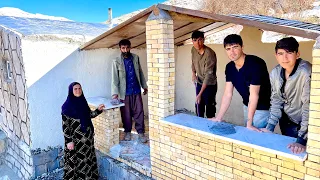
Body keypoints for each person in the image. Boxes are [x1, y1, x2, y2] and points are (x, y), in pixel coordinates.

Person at [210, 34, 271, 132]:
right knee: (248, 134)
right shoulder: (230, 67)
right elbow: (227, 94)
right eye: (228, 49)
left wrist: (249, 123)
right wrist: (219, 117)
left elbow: (254, 95)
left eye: (235, 47)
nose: (232, 52)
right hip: (247, 105)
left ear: (242, 47)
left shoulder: (256, 63)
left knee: (256, 137)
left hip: (263, 109)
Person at [261, 37, 311, 154]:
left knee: (303, 156)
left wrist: (301, 139)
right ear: (276, 55)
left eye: (289, 53)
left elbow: (308, 106)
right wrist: (270, 127)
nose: (285, 58)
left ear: (297, 54)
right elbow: (276, 100)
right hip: (286, 121)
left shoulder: (305, 72)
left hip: (304, 124)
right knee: (288, 153)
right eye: (281, 53)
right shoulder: (275, 73)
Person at [62, 82, 105, 180]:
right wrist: (69, 141)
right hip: (76, 141)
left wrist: (98, 110)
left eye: (79, 88)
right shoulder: (67, 106)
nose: (78, 91)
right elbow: (65, 126)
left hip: (88, 139)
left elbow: (89, 115)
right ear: (71, 91)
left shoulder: (83, 102)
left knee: (88, 159)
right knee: (77, 161)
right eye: (75, 89)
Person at [111, 39, 148, 143]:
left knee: (139, 111)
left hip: (136, 90)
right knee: (126, 114)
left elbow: (140, 72)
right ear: (120, 49)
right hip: (124, 93)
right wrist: (115, 93)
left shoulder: (135, 58)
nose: (125, 50)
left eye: (127, 47)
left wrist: (144, 86)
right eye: (123, 48)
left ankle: (141, 132)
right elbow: (114, 79)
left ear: (130, 47)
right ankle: (127, 131)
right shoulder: (116, 61)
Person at [191, 30, 218, 118]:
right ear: (192, 41)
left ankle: (209, 128)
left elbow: (208, 75)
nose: (197, 43)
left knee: (210, 108)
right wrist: (193, 73)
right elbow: (193, 62)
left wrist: (199, 94)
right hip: (199, 81)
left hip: (210, 84)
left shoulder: (210, 54)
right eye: (195, 40)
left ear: (203, 40)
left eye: (200, 40)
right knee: (199, 106)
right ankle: (199, 127)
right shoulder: (193, 49)